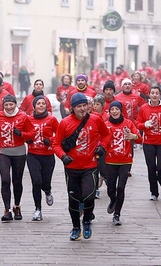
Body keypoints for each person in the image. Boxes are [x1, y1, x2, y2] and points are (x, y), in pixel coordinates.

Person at [52, 92, 109, 241]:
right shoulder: (65, 123)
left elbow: (107, 135)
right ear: (73, 108)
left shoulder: (96, 120)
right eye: (79, 106)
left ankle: (87, 221)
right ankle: (76, 227)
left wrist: (102, 147)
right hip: (71, 167)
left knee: (89, 196)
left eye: (85, 105)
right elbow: (56, 143)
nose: (83, 109)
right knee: (74, 199)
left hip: (90, 165)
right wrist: (63, 156)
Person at [0, 94, 35, 221]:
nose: (9, 107)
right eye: (6, 105)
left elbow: (32, 133)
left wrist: (22, 134)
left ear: (16, 104)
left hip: (19, 152)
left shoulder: (23, 116)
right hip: (3, 151)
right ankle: (7, 210)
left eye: (11, 104)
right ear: (3, 105)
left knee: (17, 181)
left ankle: (16, 206)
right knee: (5, 179)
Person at [103, 101, 142, 225]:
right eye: (112, 109)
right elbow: (99, 140)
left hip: (125, 161)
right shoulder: (105, 125)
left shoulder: (128, 123)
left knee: (121, 187)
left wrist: (133, 136)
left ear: (121, 111)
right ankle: (113, 200)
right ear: (109, 112)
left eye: (116, 109)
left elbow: (140, 139)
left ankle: (117, 214)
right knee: (110, 188)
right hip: (110, 161)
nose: (114, 111)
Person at [137, 86, 161, 201]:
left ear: (160, 95)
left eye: (156, 93)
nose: (154, 95)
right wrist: (145, 125)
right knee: (151, 168)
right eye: (152, 93)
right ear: (149, 95)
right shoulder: (144, 108)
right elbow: (138, 123)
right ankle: (154, 192)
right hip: (148, 142)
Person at [26, 96, 59, 220]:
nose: (41, 105)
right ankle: (38, 210)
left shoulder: (52, 120)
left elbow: (60, 135)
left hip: (48, 156)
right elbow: (23, 134)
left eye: (43, 103)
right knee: (36, 182)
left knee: (45, 183)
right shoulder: (28, 119)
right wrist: (26, 139)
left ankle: (48, 191)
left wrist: (50, 140)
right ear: (34, 106)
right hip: (33, 155)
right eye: (38, 104)